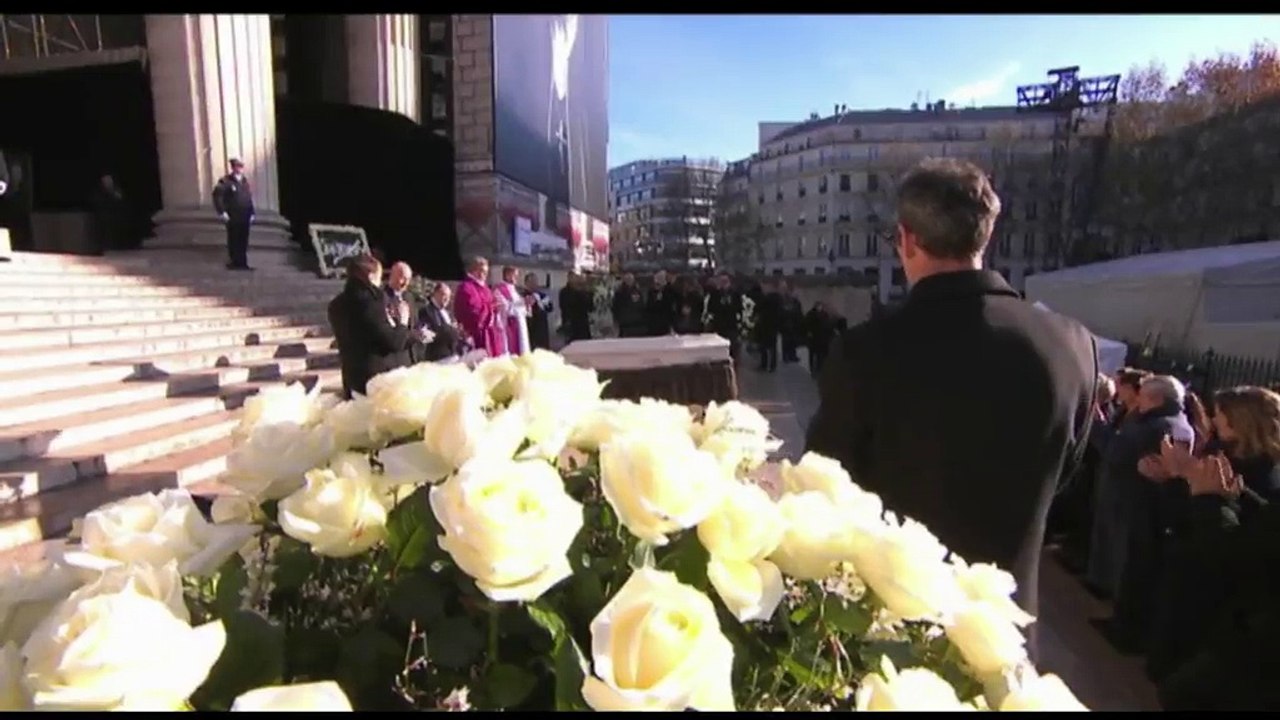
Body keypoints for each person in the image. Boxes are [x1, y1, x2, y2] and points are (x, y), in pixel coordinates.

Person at [804, 158, 1098, 656]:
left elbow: (826, 485)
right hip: (1004, 631)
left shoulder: (865, 351)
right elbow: (1065, 472)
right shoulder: (1072, 344)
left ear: (907, 240)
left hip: (898, 634)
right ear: (986, 236)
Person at [1098, 375, 1195, 653]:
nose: (1138, 398)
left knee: (1134, 567)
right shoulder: (1159, 422)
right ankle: (1121, 620)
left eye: (1143, 395)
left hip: (1143, 507)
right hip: (1137, 503)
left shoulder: (1161, 425)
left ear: (1156, 399)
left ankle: (1125, 629)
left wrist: (1100, 430)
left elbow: (1118, 452)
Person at [327, 254, 421, 398]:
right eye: (379, 276)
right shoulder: (373, 301)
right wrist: (402, 321)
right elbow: (393, 342)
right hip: (375, 383)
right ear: (371, 275)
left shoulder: (335, 304)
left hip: (352, 380)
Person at [212, 158, 256, 271]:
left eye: (241, 166)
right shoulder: (226, 181)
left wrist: (252, 212)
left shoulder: (245, 182)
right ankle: (234, 262)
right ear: (233, 167)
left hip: (244, 215)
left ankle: (243, 262)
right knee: (234, 238)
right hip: (233, 215)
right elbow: (218, 196)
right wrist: (222, 211)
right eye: (237, 166)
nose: (239, 169)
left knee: (243, 239)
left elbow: (248, 199)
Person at [418, 282, 466, 361]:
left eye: (449, 297)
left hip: (452, 354)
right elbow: (427, 336)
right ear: (436, 293)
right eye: (444, 295)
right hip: (437, 357)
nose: (447, 299)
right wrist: (450, 329)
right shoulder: (426, 311)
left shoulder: (447, 313)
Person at [706, 272, 743, 361]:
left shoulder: (735, 294)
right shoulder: (715, 294)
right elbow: (710, 308)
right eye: (721, 281)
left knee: (732, 345)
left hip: (731, 323)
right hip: (719, 323)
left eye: (725, 281)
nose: (723, 283)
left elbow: (739, 307)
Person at [494, 265, 531, 355]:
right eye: (514, 275)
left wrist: (527, 304)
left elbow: (519, 306)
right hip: (509, 325)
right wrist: (519, 305)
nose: (516, 278)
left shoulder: (514, 288)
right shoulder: (500, 289)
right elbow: (502, 307)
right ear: (507, 275)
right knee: (512, 351)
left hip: (519, 323)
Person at [89, 174, 126, 256]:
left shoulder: (115, 191)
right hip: (103, 220)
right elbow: (97, 203)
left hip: (115, 219)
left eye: (110, 181)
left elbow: (121, 201)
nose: (108, 183)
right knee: (104, 236)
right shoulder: (99, 193)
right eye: (106, 181)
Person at [521, 272, 554, 351]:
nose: (534, 284)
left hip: (542, 327)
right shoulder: (522, 296)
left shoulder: (542, 295)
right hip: (530, 327)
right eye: (531, 281)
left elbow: (550, 308)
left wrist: (542, 303)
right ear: (526, 283)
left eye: (535, 281)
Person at [804, 301, 837, 375]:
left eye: (821, 306)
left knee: (819, 355)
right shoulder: (811, 314)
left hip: (821, 338)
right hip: (813, 338)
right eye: (819, 306)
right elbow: (807, 324)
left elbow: (827, 325)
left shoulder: (824, 314)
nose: (820, 307)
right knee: (812, 354)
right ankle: (813, 369)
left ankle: (818, 369)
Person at [754, 280, 781, 372]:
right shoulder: (778, 298)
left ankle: (764, 365)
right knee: (772, 347)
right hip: (772, 325)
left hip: (766, 324)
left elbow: (759, 308)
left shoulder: (766, 298)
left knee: (765, 346)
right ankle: (772, 366)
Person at [559, 272, 593, 342]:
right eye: (573, 277)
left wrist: (586, 291)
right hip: (571, 325)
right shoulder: (564, 292)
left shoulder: (583, 291)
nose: (576, 280)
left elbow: (590, 307)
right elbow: (566, 306)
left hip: (583, 325)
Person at [611, 272, 646, 338]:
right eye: (627, 279)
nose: (629, 281)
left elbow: (641, 304)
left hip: (637, 322)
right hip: (624, 322)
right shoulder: (619, 292)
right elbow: (616, 307)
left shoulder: (637, 291)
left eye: (630, 279)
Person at [644, 270, 678, 336]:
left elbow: (670, 306)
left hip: (666, 323)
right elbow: (649, 306)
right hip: (653, 323)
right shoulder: (651, 292)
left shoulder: (670, 291)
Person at [778, 282, 804, 363]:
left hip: (793, 324)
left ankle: (792, 355)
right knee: (786, 341)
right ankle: (786, 356)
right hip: (786, 324)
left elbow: (799, 313)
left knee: (793, 341)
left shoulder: (796, 302)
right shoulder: (783, 302)